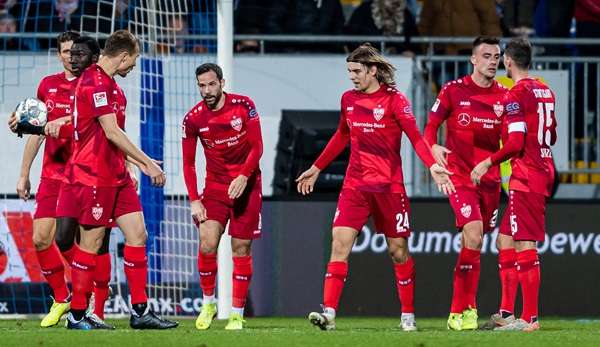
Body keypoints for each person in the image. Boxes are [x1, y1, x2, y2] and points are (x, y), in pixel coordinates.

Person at [296, 43, 454, 332]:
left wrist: (431, 165)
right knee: (339, 244)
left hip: (389, 188)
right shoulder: (348, 100)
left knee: (398, 251)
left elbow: (416, 137)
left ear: (372, 70)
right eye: (349, 71)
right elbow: (342, 135)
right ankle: (329, 313)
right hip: (355, 186)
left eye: (356, 71)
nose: (352, 77)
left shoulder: (395, 101)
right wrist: (317, 167)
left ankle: (407, 315)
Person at [53, 29, 177, 330]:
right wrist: (147, 163)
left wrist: (135, 163)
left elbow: (114, 139)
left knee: (138, 235)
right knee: (91, 244)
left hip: (116, 175)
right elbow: (110, 132)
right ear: (122, 56)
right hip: (93, 175)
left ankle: (139, 310)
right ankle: (78, 314)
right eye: (132, 61)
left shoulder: (112, 87)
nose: (132, 67)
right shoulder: (94, 81)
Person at [8, 31, 115, 329]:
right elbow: (37, 130)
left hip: (89, 175)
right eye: (66, 51)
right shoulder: (48, 86)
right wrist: (24, 173)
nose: (71, 56)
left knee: (93, 243)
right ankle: (62, 297)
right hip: (54, 175)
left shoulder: (96, 84)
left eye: (75, 51)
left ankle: (97, 307)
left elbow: (110, 129)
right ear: (59, 54)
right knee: (41, 239)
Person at [471, 37, 557, 332]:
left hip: (527, 175)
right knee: (504, 240)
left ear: (508, 61)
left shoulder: (515, 94)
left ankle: (529, 318)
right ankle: (507, 312)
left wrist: (487, 162)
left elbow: (516, 142)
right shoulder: (544, 90)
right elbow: (551, 135)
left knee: (524, 243)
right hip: (541, 169)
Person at [423, 36, 508, 331]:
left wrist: (493, 162)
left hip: (490, 181)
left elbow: (512, 143)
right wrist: (433, 148)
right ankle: (458, 311)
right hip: (459, 176)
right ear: (473, 59)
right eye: (486, 56)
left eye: (496, 56)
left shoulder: (505, 98)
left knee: (475, 242)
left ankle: (467, 307)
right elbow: (430, 128)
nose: (492, 61)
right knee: (473, 234)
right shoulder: (453, 91)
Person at [182, 63, 263, 330]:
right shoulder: (193, 119)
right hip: (215, 189)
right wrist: (194, 199)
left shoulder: (244, 105)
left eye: (211, 84)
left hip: (247, 187)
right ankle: (208, 304)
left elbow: (257, 146)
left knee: (241, 248)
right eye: (201, 85)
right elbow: (189, 163)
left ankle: (237, 313)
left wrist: (243, 176)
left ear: (222, 82)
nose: (206, 90)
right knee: (207, 243)